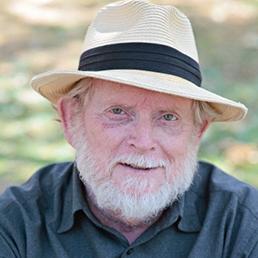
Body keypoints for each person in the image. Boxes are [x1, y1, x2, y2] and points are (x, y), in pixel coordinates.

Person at [1, 0, 257, 257]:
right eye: (118, 112)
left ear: (197, 132)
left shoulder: (243, 225)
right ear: (71, 119)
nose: (143, 141)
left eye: (168, 117)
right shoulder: (15, 224)